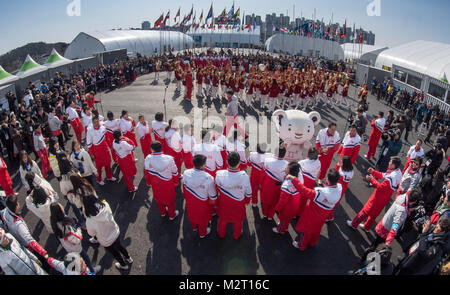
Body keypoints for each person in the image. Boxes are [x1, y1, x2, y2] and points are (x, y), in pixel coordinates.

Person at [287, 169, 342, 251]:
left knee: (306, 231)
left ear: (327, 179)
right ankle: (313, 242)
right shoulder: (339, 189)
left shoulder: (320, 192)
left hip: (312, 214)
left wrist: (293, 179)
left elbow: (304, 190)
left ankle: (301, 245)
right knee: (317, 229)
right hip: (323, 216)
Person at [363, 189, 422, 260]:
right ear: (415, 201)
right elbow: (395, 226)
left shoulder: (404, 196)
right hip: (386, 229)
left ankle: (367, 255)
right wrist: (388, 242)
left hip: (384, 222)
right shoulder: (402, 210)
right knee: (376, 246)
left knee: (376, 242)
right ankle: (365, 258)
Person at [347, 157, 403, 231]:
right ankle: (367, 227)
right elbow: (383, 175)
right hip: (383, 199)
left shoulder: (392, 177)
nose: (389, 162)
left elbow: (380, 187)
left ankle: (354, 224)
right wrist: (373, 172)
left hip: (378, 198)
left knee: (365, 211)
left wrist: (371, 179)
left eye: (390, 162)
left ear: (393, 165)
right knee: (373, 215)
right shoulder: (397, 172)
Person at [83, 194, 133, 271]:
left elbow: (91, 234)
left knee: (115, 253)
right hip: (115, 232)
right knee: (120, 246)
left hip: (106, 241)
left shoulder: (89, 220)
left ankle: (123, 265)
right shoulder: (105, 205)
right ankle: (128, 258)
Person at [49, 202, 100, 274]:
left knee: (77, 261)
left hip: (67, 246)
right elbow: (76, 239)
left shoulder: (53, 222)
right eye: (61, 207)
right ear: (60, 211)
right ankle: (92, 270)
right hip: (75, 246)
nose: (62, 206)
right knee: (85, 258)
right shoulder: (65, 225)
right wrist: (78, 231)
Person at [0, 196, 49, 262]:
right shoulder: (18, 225)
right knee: (41, 259)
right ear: (16, 206)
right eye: (17, 202)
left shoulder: (5, 212)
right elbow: (29, 240)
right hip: (27, 244)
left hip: (18, 238)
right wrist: (43, 252)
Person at [215, 152, 252, 240]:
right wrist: (246, 201)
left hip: (224, 203)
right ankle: (237, 235)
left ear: (227, 162)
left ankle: (221, 233)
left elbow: (216, 188)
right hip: (238, 204)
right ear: (239, 163)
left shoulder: (219, 174)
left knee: (223, 220)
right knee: (238, 221)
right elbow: (249, 193)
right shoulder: (245, 177)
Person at [182, 154, 217, 238]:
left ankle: (194, 228)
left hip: (190, 201)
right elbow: (213, 196)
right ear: (203, 165)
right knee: (202, 219)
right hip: (202, 203)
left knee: (191, 214)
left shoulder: (186, 173)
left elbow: (184, 187)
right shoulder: (209, 178)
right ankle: (202, 233)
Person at [144, 141, 179, 220]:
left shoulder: (148, 158)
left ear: (152, 149)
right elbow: (175, 172)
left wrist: (148, 182)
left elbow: (146, 172)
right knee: (170, 200)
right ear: (161, 148)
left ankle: (162, 213)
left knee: (158, 198)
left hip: (155, 183)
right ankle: (171, 215)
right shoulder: (169, 159)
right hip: (168, 183)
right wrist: (176, 182)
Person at [259, 146, 288, 221]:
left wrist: (260, 184)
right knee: (274, 202)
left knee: (265, 201)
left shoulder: (267, 160)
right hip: (278, 187)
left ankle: (265, 214)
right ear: (284, 154)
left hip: (267, 184)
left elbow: (262, 174)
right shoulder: (287, 165)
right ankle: (270, 216)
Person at [273, 162, 301, 234]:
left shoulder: (287, 185)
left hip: (288, 208)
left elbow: (283, 200)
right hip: (295, 204)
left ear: (290, 171)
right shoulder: (299, 177)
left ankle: (280, 230)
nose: (285, 169)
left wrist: (277, 208)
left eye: (286, 168)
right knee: (287, 220)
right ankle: (285, 227)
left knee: (283, 219)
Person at [86, 117, 116, 186]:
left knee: (108, 163)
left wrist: (110, 146)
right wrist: (92, 154)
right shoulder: (90, 131)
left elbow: (107, 137)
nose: (96, 123)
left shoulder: (103, 127)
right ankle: (98, 180)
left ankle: (109, 176)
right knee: (99, 166)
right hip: (97, 151)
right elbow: (89, 144)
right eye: (95, 122)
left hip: (105, 149)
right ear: (92, 123)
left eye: (97, 122)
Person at [329, 156, 354, 221]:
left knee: (332, 203)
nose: (340, 161)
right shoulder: (350, 170)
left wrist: (337, 165)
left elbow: (334, 173)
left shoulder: (343, 173)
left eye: (342, 161)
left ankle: (330, 216)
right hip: (342, 187)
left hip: (338, 188)